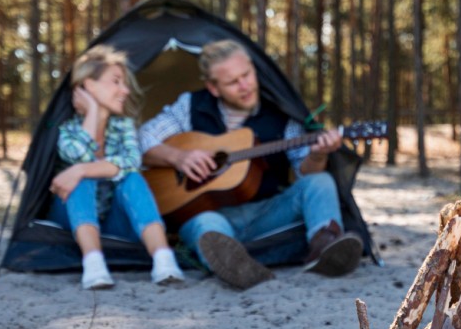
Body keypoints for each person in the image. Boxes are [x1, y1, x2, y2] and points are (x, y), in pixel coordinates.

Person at [137, 39, 362, 290]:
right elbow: (141, 140)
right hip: (209, 214)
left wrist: (318, 155)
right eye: (233, 82)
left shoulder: (280, 111)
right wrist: (178, 157)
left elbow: (304, 173)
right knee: (207, 228)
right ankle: (237, 266)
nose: (245, 86)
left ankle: (325, 245)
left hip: (268, 212)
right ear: (213, 87)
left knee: (320, 182)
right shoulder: (190, 106)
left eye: (247, 75)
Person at [50, 44, 185, 290]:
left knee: (132, 178)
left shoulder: (123, 126)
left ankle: (163, 259)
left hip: (114, 223)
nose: (125, 90)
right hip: (70, 221)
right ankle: (93, 263)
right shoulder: (66, 128)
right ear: (89, 85)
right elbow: (76, 154)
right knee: (81, 181)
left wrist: (79, 170)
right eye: (116, 82)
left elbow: (133, 160)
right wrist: (92, 112)